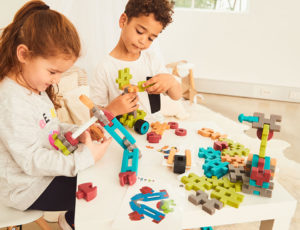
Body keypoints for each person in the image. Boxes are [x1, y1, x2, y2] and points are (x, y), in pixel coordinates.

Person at [0, 1, 112, 230]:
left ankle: (70, 221)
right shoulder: (10, 102)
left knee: (98, 176)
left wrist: (77, 131)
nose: (56, 80)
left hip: (38, 176)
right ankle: (72, 223)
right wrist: (84, 158)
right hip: (24, 188)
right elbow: (31, 161)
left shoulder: (33, 86)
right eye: (53, 72)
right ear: (23, 54)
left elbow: (48, 127)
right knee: (93, 190)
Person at [90, 0, 182, 117]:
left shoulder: (152, 60)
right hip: (123, 133)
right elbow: (93, 116)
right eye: (139, 32)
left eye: (151, 39)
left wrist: (171, 81)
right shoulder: (105, 68)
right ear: (123, 21)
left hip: (154, 129)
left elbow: (177, 95)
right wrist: (111, 110)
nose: (143, 41)